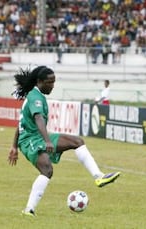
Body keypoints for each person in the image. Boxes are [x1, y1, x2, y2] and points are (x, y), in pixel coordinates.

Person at [8, 66, 120, 217]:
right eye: (49, 82)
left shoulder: (35, 94)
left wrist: (13, 146)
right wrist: (46, 141)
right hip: (30, 140)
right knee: (47, 170)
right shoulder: (35, 97)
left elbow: (21, 122)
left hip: (36, 137)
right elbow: (38, 118)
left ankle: (98, 177)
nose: (52, 86)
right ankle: (29, 209)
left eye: (54, 82)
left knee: (77, 141)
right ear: (39, 81)